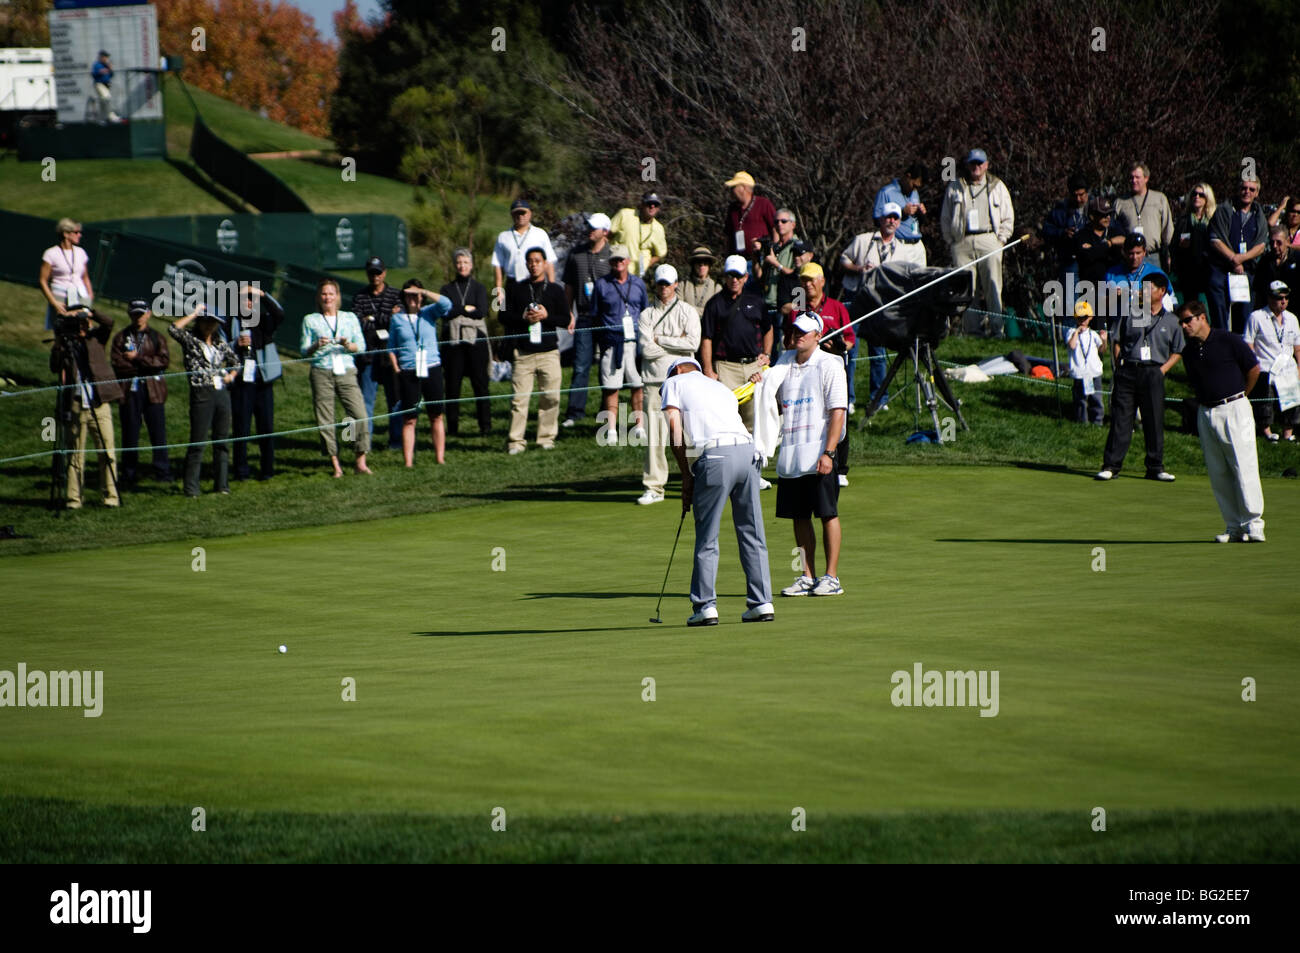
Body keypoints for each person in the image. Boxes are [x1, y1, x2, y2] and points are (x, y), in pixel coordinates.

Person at [661, 357, 774, 626]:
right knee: (752, 531)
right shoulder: (719, 386)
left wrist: (685, 476)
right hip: (748, 454)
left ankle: (705, 606)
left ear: (677, 370)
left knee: (707, 536)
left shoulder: (673, 382)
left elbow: (675, 432)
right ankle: (761, 602)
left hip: (716, 457)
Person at [772, 313, 848, 598]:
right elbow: (776, 404)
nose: (798, 335)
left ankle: (831, 577)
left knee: (827, 514)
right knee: (799, 516)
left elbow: (837, 411)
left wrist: (829, 452)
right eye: (795, 330)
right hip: (792, 454)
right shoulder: (783, 361)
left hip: (819, 452)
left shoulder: (830, 363)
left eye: (805, 331)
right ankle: (807, 575)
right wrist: (762, 377)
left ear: (818, 335)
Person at [1176, 301, 1265, 542]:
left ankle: (1254, 524)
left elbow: (1253, 369)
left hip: (1235, 407)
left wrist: (1241, 397)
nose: (1184, 326)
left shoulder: (1228, 339)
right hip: (1206, 412)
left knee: (1243, 466)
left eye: (1187, 320)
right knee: (1218, 472)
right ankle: (1234, 526)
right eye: (1181, 322)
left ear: (1202, 317)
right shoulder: (1189, 351)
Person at [1095, 272, 1183, 482]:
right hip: (1128, 370)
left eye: (1148, 288)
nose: (1142, 292)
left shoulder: (1171, 320)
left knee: (1153, 420)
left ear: (1161, 292)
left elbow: (1178, 350)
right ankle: (1111, 466)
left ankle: (1155, 467)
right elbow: (1116, 340)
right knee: (1121, 419)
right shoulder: (1129, 313)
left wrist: (1162, 370)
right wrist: (1119, 365)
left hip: (1153, 371)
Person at [839, 202, 926, 407]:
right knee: (850, 351)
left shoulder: (903, 250)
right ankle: (846, 399)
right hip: (857, 300)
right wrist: (859, 268)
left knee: (878, 352)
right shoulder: (863, 240)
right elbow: (843, 259)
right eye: (888, 217)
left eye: (895, 218)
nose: (891, 221)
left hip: (881, 304)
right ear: (880, 219)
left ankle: (878, 398)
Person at [636, 264, 701, 505]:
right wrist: (677, 345)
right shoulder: (646, 315)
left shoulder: (688, 311)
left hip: (683, 382)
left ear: (676, 284)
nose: (664, 288)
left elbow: (692, 343)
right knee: (655, 436)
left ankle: (697, 480)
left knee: (688, 435)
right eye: (660, 283)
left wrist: (660, 339)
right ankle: (654, 487)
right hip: (654, 381)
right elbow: (646, 348)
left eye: (668, 283)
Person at [789, 263, 855, 484]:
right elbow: (790, 340)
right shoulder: (798, 307)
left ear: (822, 281)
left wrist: (838, 346)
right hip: (806, 371)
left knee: (838, 413)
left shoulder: (837, 307)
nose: (807, 284)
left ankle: (841, 468)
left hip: (833, 367)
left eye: (811, 280)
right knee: (811, 415)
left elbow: (850, 340)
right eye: (804, 281)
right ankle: (805, 461)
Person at [50, 306, 121, 508]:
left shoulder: (96, 338)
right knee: (75, 454)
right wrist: (59, 337)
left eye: (82, 321)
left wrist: (90, 312)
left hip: (99, 403)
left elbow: (109, 322)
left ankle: (111, 497)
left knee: (107, 451)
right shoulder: (65, 343)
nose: (80, 325)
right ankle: (74, 499)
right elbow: (55, 366)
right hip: (75, 403)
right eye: (76, 321)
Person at [940, 148, 1015, 336]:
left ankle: (997, 329)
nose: (976, 167)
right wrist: (951, 241)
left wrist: (1001, 240)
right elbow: (946, 217)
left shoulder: (997, 185)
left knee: (993, 285)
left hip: (989, 238)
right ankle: (972, 331)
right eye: (973, 163)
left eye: (980, 163)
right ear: (967, 164)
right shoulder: (955, 185)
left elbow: (1008, 216)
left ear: (986, 165)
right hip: (962, 241)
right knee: (966, 289)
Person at [300, 279, 371, 478]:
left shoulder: (349, 318)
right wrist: (316, 344)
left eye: (331, 294)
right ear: (318, 297)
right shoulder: (310, 320)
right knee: (326, 419)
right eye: (324, 294)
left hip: (346, 369)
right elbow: (304, 350)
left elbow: (362, 346)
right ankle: (335, 464)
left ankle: (360, 461)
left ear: (338, 297)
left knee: (359, 415)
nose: (327, 298)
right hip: (322, 372)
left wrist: (348, 345)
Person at [169, 305, 239, 497]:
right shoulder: (191, 339)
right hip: (201, 392)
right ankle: (191, 488)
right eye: (207, 321)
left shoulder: (219, 342)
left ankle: (222, 485)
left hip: (221, 392)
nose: (209, 326)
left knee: (222, 440)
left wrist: (231, 375)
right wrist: (193, 314)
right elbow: (173, 329)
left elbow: (236, 361)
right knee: (198, 441)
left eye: (213, 322)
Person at [502, 247, 567, 454]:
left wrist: (547, 316)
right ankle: (515, 441)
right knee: (519, 399)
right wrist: (522, 317)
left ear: (545, 263)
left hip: (549, 352)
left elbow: (565, 320)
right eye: (530, 261)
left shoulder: (556, 290)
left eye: (538, 261)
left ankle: (546, 438)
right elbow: (502, 316)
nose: (534, 264)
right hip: (523, 353)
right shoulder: (515, 288)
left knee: (551, 397)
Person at [699, 254, 772, 437]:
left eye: (739, 276)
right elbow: (706, 338)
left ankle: (752, 461)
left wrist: (767, 353)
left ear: (746, 277)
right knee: (726, 419)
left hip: (752, 367)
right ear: (725, 276)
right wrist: (708, 369)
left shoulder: (756, 301)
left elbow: (768, 329)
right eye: (731, 275)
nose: (735, 280)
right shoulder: (714, 304)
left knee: (752, 421)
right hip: (725, 367)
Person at [389, 279, 452, 466]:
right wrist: (396, 367)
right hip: (409, 370)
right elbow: (391, 346)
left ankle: (439, 458)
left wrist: (424, 292)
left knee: (436, 415)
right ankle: (408, 462)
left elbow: (447, 304)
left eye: (415, 295)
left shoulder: (429, 313)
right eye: (408, 295)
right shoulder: (397, 318)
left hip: (431, 366)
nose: (412, 299)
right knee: (410, 418)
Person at [109, 298, 172, 488]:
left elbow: (163, 362)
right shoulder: (121, 337)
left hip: (153, 389)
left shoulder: (156, 337)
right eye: (135, 313)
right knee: (130, 431)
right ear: (130, 314)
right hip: (130, 389)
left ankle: (163, 471)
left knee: (158, 431)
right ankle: (129, 473)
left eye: (142, 313)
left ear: (149, 314)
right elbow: (118, 364)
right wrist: (146, 365)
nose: (139, 317)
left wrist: (138, 358)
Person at [592, 245, 650, 441]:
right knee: (611, 387)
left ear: (628, 261)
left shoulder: (638, 284)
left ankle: (639, 426)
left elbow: (644, 311)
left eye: (621, 260)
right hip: (611, 341)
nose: (618, 264)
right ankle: (611, 429)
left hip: (634, 341)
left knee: (637, 384)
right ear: (610, 262)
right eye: (615, 260)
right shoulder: (602, 285)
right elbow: (595, 314)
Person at [561, 213, 612, 428]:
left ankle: (606, 411)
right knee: (581, 365)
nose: (590, 230)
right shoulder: (576, 254)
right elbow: (570, 286)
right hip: (583, 316)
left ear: (605, 232)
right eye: (589, 226)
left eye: (595, 227)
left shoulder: (613, 254)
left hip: (607, 317)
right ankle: (574, 413)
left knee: (606, 366)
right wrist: (568, 313)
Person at [229, 285, 284, 482]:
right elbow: (220, 346)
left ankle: (267, 470)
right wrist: (235, 345)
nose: (248, 302)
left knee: (266, 426)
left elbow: (279, 314)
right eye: (245, 298)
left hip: (263, 379)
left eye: (252, 299)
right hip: (241, 381)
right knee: (241, 427)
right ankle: (240, 471)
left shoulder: (263, 320)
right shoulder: (231, 321)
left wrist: (263, 293)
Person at [351, 257, 403, 452]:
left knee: (395, 401)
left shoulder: (395, 294)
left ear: (385, 273)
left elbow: (397, 322)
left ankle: (396, 442)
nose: (376, 276)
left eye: (378, 272)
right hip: (368, 356)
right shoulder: (360, 297)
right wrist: (385, 318)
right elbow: (357, 323)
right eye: (372, 273)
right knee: (365, 401)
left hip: (390, 356)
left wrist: (371, 319)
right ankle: (366, 443)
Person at [439, 248, 492, 437]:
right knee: (453, 386)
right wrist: (464, 308)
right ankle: (452, 428)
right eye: (459, 262)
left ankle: (485, 426)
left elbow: (481, 311)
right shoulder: (447, 289)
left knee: (481, 384)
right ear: (455, 265)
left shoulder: (478, 288)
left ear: (472, 265)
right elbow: (445, 313)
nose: (462, 266)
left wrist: (458, 311)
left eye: (466, 262)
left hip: (475, 340)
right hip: (454, 343)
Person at [1207, 175, 1269, 332]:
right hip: (1221, 269)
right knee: (1220, 316)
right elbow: (1215, 239)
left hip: (1246, 270)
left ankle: (1240, 349)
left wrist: (1241, 259)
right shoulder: (1224, 210)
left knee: (1244, 316)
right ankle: (1221, 348)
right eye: (1243, 188)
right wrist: (1233, 259)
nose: (1246, 192)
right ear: (1237, 189)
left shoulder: (1259, 214)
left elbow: (1261, 245)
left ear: (1257, 193)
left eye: (1251, 189)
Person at [1243, 281, 1300, 442]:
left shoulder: (1292, 319)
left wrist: (1299, 367)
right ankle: (1267, 431)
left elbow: (1297, 347)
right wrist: (1255, 364)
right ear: (1269, 298)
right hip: (1266, 367)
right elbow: (1248, 342)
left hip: (1288, 368)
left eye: (1286, 298)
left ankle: (1288, 433)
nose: (1283, 301)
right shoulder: (1256, 317)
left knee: (1292, 403)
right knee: (1265, 402)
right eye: (1279, 298)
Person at [758, 208, 812, 338]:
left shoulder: (797, 248)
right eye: (776, 222)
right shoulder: (774, 247)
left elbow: (795, 274)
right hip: (769, 301)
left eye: (783, 221)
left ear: (793, 224)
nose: (779, 224)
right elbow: (760, 277)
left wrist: (776, 263)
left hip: (786, 303)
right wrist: (756, 257)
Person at [1113, 162, 1175, 273]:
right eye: (1131, 177)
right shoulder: (1120, 202)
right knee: (1133, 290)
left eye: (1137, 177)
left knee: (1150, 289)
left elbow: (1168, 230)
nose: (1134, 181)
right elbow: (1114, 230)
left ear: (1146, 178)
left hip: (1153, 256)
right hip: (1130, 258)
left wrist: (1169, 255)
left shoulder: (1159, 199)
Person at [40, 219, 93, 331]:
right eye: (76, 232)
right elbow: (43, 280)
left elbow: (85, 277)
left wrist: (90, 296)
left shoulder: (81, 252)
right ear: (66, 234)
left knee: (84, 329)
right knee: (63, 331)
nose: (80, 235)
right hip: (60, 297)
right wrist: (54, 302)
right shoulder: (51, 254)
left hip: (80, 295)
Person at [492, 199, 556, 292]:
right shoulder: (503, 236)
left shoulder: (540, 234)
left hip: (535, 281)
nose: (520, 216)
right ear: (512, 215)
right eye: (517, 213)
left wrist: (551, 287)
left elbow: (549, 262)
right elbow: (498, 264)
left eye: (523, 213)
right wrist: (498, 289)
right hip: (512, 282)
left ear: (530, 213)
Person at [1172, 183, 1216, 306]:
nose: (1197, 197)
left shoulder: (1214, 220)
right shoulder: (1183, 220)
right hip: (1188, 271)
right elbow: (1174, 246)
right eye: (1194, 194)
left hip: (1209, 270)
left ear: (1208, 198)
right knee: (1191, 306)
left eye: (1201, 195)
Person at [1065, 300, 1106, 425]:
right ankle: (1082, 421)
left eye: (1085, 318)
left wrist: (1104, 341)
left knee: (1096, 398)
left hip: (1094, 372)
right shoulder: (1071, 332)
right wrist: (1077, 332)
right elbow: (1072, 345)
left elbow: (1102, 350)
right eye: (1079, 318)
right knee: (1080, 399)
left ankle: (1097, 421)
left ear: (1090, 318)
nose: (1082, 321)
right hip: (1079, 372)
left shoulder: (1093, 334)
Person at [609, 192, 667, 277]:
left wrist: (646, 264)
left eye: (656, 204)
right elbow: (607, 234)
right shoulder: (625, 215)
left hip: (636, 276)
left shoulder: (658, 229)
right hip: (615, 270)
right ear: (642, 204)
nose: (652, 206)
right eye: (649, 203)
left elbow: (661, 253)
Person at [722, 171, 778, 257]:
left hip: (760, 258)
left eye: (734, 187)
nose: (731, 190)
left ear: (743, 188)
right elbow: (728, 235)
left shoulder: (763, 204)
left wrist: (774, 252)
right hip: (738, 261)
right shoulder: (732, 208)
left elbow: (775, 228)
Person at [873, 163, 927, 245]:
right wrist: (902, 213)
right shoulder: (886, 192)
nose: (915, 190)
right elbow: (877, 220)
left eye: (918, 188)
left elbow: (917, 221)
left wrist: (921, 214)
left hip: (917, 244)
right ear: (908, 177)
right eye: (914, 185)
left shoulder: (914, 193)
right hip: (899, 243)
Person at [1252, 225, 1300, 309]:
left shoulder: (1297, 258)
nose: (1274, 246)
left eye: (1279, 242)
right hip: (1269, 309)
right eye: (1272, 242)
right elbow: (1258, 290)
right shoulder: (1265, 261)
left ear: (1287, 241)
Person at [680, 246, 720, 317]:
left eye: (705, 262)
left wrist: (690, 310)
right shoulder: (683, 286)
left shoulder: (716, 287)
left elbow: (716, 312)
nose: (702, 265)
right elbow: (679, 310)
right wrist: (705, 311)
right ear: (693, 265)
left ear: (709, 266)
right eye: (698, 262)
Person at [91, 51, 120, 123]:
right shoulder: (97, 65)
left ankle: (102, 118)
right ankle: (112, 116)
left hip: (107, 84)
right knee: (107, 98)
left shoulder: (107, 65)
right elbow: (93, 74)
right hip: (99, 84)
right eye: (105, 57)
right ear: (101, 57)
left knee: (103, 101)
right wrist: (100, 72)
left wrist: (110, 69)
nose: (106, 58)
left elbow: (111, 75)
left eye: (107, 57)